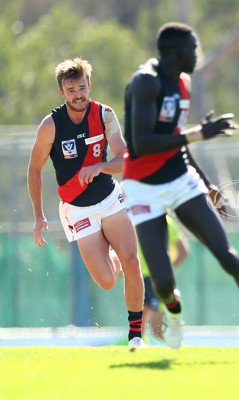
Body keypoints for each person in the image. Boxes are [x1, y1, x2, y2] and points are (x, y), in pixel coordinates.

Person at [121, 22, 239, 360]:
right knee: (162, 284)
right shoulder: (145, 82)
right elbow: (142, 143)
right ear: (177, 51)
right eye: (193, 48)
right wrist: (199, 133)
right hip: (143, 188)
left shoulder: (184, 82)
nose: (198, 54)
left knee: (227, 255)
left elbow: (177, 142)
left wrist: (207, 185)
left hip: (181, 180)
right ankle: (175, 311)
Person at [27, 58, 146, 349]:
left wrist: (99, 167)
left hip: (109, 199)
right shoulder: (51, 126)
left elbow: (125, 160)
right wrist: (39, 216)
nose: (78, 94)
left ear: (89, 86)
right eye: (71, 90)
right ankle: (112, 258)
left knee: (133, 263)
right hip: (77, 209)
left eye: (82, 87)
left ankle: (136, 337)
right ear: (62, 93)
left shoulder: (104, 115)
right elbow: (34, 169)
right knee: (106, 281)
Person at [141, 215, 189, 341]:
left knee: (154, 329)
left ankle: (173, 305)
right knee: (141, 327)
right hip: (138, 277)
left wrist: (165, 273)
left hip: (156, 278)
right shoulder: (135, 220)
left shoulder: (167, 222)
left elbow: (183, 250)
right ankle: (140, 351)